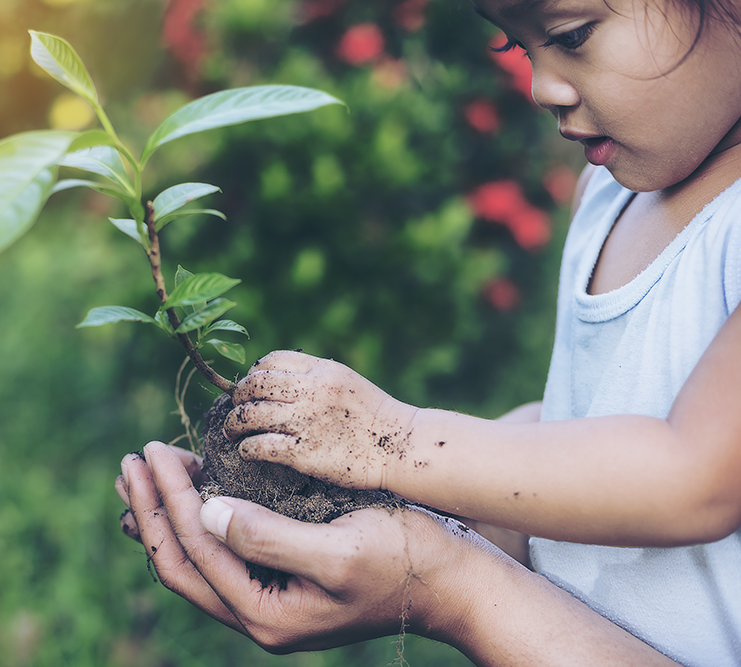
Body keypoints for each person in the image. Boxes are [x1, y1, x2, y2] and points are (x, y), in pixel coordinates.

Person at [115, 0, 741, 663]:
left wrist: (399, 441)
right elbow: (590, 422)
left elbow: (694, 478)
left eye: (571, 35)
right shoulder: (608, 196)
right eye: (518, 47)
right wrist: (373, 498)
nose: (541, 87)